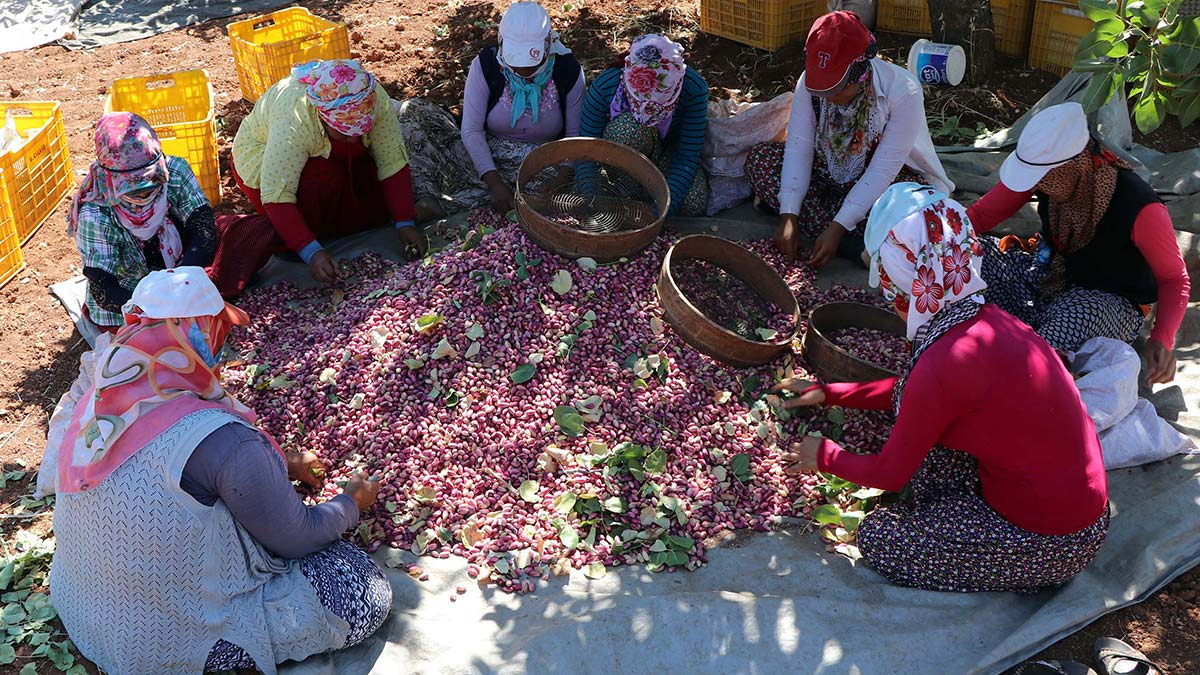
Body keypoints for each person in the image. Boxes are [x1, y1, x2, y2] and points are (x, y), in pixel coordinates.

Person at [46, 267, 392, 674]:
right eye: (219, 332)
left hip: (82, 607)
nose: (222, 346)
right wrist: (352, 502)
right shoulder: (228, 441)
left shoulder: (103, 390)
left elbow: (163, 459)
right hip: (153, 648)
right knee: (358, 587)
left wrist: (280, 461)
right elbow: (301, 538)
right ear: (200, 331)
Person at [773, 184, 1109, 593]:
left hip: (1050, 543)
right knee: (930, 447)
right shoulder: (989, 321)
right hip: (1085, 515)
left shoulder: (944, 362)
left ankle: (1008, 558)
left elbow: (891, 474)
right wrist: (830, 392)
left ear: (901, 283)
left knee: (881, 536)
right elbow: (913, 393)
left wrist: (822, 454)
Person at [966, 102, 1189, 383]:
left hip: (1106, 303)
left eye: (1043, 177)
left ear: (1075, 165)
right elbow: (981, 214)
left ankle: (1023, 364)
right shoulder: (1048, 177)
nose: (1037, 185)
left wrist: (1162, 339)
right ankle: (1024, 335)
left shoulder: (1139, 207)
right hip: (1050, 280)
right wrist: (939, 236)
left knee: (1050, 342)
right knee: (972, 256)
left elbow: (1174, 279)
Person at [744, 11, 952, 268]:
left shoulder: (903, 91)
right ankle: (856, 244)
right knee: (760, 158)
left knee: (916, 212)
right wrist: (789, 215)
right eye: (824, 89)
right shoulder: (809, 85)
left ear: (861, 73)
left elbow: (883, 170)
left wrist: (837, 228)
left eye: (837, 88)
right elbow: (799, 146)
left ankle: (835, 230)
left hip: (886, 180)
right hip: (827, 169)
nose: (829, 96)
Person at [221, 59, 427, 291]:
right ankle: (310, 236)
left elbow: (391, 161)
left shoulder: (372, 97)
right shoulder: (295, 118)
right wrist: (311, 251)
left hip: (323, 151)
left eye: (360, 132)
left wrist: (404, 221)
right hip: (264, 161)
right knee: (318, 181)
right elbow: (277, 195)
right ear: (323, 119)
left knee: (366, 185)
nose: (354, 139)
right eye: (345, 133)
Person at [399, 1, 585, 217]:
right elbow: (471, 130)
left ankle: (450, 203)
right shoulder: (486, 65)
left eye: (531, 63)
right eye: (516, 62)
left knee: (570, 186)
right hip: (486, 155)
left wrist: (558, 183)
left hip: (538, 164)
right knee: (415, 113)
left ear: (547, 44)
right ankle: (436, 196)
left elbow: (575, 138)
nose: (523, 70)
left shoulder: (568, 70)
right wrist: (493, 181)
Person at [68, 112, 218, 330]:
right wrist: (152, 307)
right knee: (160, 342)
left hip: (182, 277)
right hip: (131, 301)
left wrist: (177, 282)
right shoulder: (95, 213)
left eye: (150, 182)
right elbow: (104, 288)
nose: (143, 193)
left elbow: (203, 231)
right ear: (110, 177)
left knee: (244, 232)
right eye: (132, 186)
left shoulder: (175, 171)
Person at [579, 33, 709, 217]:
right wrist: (590, 198)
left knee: (693, 202)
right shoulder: (606, 85)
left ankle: (645, 196)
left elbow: (687, 156)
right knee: (628, 130)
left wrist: (660, 212)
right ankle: (624, 189)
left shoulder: (693, 89)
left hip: (666, 156)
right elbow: (586, 147)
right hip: (622, 158)